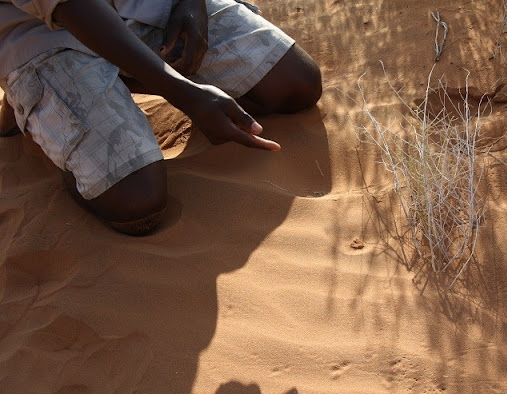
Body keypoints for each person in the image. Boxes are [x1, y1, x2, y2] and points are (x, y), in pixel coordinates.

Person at [0, 0, 322, 235]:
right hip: (44, 33)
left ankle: (126, 76)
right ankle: (46, 125)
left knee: (296, 82)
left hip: (136, 5)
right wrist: (181, 91)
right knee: (138, 201)